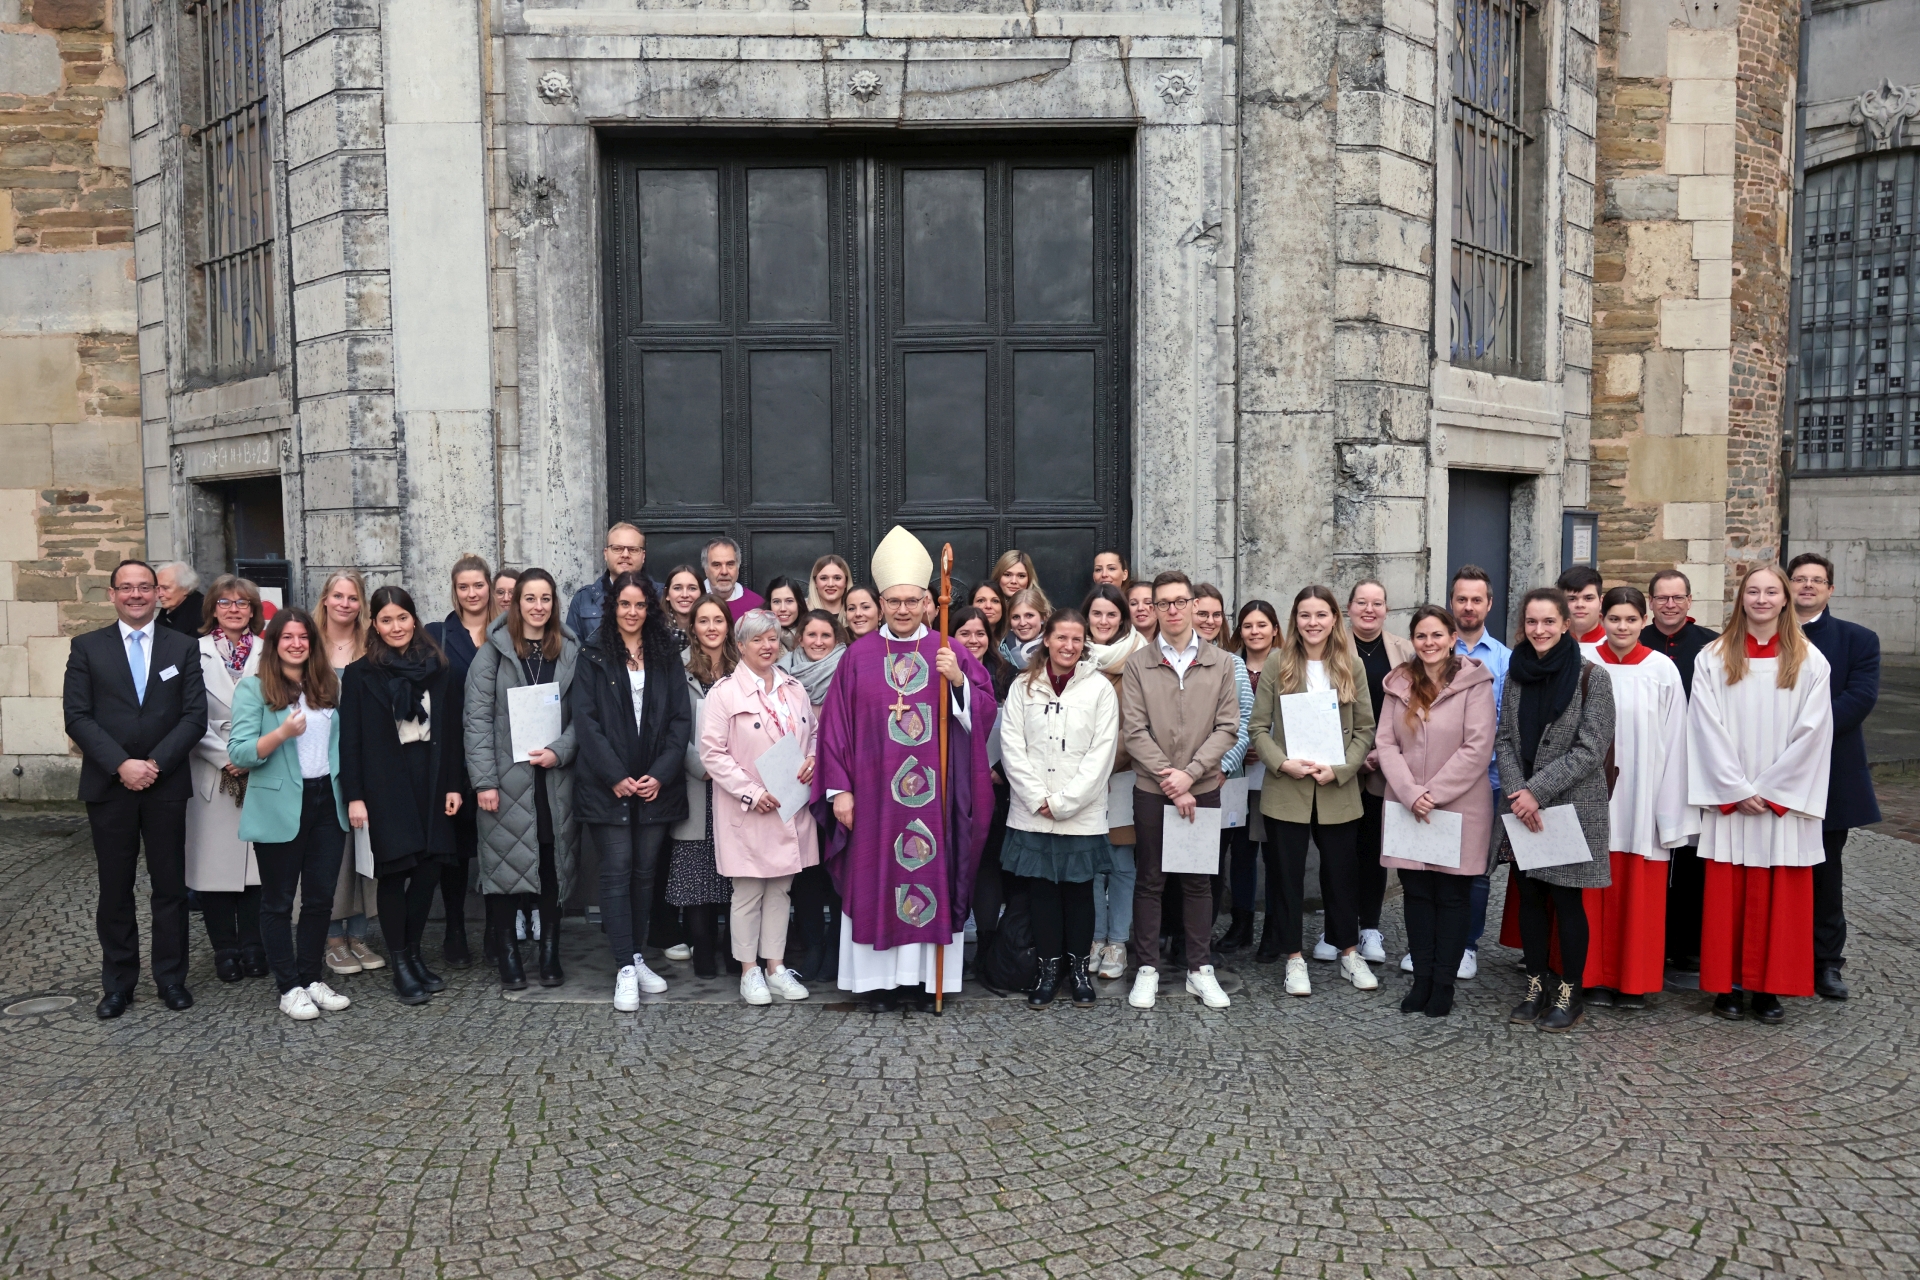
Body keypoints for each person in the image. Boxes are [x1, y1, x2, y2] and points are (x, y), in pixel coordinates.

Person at [814, 527, 999, 1011]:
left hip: (934, 805)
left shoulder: (949, 651)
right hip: (875, 802)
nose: (901, 609)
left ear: (926, 600)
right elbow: (833, 730)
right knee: (875, 878)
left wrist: (958, 681)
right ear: (879, 601)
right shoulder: (858, 657)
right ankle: (876, 985)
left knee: (930, 875)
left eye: (910, 601)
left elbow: (983, 713)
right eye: (892, 601)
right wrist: (840, 794)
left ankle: (924, 983)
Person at [62, 558, 209, 1019]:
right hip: (110, 786)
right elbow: (77, 716)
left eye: (145, 587)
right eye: (126, 588)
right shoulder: (86, 647)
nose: (136, 595)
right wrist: (121, 764)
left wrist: (155, 764)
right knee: (115, 888)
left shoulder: (183, 646)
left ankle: (171, 979)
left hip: (165, 785)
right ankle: (118, 984)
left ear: (158, 594)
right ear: (112, 595)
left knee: (169, 888)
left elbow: (194, 716)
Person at [1689, 564, 1834, 1025]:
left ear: (1786, 599)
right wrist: (1735, 788)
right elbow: (1703, 727)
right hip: (1733, 800)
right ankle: (1729, 986)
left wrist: (1771, 791)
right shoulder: (1712, 657)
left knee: (1781, 895)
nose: (1762, 599)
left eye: (1772, 591)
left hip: (1782, 806)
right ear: (1741, 599)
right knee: (1728, 895)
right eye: (1753, 591)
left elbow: (1814, 733)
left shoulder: (1811, 661)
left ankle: (1770, 988)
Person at [1119, 570, 1241, 1011]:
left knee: (1196, 882)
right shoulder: (1139, 664)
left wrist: (1190, 775)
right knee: (1150, 880)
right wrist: (1171, 779)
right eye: (1162, 603)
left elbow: (1228, 727)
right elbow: (1134, 731)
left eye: (1179, 601)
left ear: (1193, 605)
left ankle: (1199, 969)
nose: (1171, 610)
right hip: (1153, 790)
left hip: (1202, 787)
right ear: (1153, 609)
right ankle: (1147, 968)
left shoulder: (1221, 662)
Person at [1248, 586, 1378, 996]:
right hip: (1288, 787)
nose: (1313, 622)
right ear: (1295, 620)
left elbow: (1365, 729)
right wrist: (1282, 762)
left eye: (1321, 614)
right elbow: (1257, 728)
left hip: (1337, 789)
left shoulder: (1350, 664)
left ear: (1335, 619)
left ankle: (1348, 953)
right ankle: (1294, 958)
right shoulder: (1277, 662)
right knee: (1285, 878)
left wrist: (1341, 769)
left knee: (1341, 876)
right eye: (1305, 615)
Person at [339, 586, 466, 1004]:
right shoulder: (361, 674)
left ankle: (413, 954)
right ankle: (400, 963)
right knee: (395, 873)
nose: (396, 627)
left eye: (402, 618)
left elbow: (451, 733)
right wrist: (355, 796)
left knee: (430, 869)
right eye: (386, 620)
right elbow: (350, 741)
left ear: (415, 619)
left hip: (431, 777)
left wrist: (452, 784)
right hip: (385, 782)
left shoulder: (437, 666)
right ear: (374, 625)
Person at [571, 571, 691, 1010]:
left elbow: (681, 720)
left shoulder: (666, 654)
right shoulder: (594, 654)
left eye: (640, 605)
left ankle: (638, 956)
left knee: (645, 873)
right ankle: (623, 966)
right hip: (609, 785)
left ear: (649, 609)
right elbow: (586, 721)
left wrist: (660, 773)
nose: (633, 612)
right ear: (613, 607)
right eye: (625, 604)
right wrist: (614, 775)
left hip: (655, 784)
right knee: (616, 871)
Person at [1499, 588, 1615, 1034]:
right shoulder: (1515, 674)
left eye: (1549, 622)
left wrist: (1536, 792)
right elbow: (1505, 740)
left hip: (1570, 806)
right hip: (1522, 808)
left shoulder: (1592, 677)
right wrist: (1517, 794)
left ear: (1566, 624)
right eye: (1532, 622)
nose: (1540, 630)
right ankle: (1534, 985)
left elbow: (1590, 749)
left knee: (1567, 902)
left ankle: (1570, 991)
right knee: (1530, 898)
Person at [228, 608, 352, 1021]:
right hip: (281, 803)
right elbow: (240, 753)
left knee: (319, 900)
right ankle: (288, 987)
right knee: (278, 901)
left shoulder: (328, 685)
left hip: (325, 801)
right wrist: (281, 733)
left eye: (304, 637)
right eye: (287, 637)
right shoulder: (253, 689)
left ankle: (311, 976)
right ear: (274, 643)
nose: (297, 643)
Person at [1374, 606, 1496, 1018]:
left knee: (1453, 896)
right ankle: (1421, 978)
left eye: (1436, 635)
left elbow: (1478, 746)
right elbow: (1386, 743)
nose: (1429, 643)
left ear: (1451, 638)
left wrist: (1435, 792)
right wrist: (1411, 793)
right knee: (1418, 895)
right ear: (1414, 641)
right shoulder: (1400, 684)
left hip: (1458, 805)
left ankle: (1444, 982)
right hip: (1410, 806)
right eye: (1421, 636)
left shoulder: (1474, 682)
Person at [998, 609, 1121, 1009]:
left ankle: (1080, 972)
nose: (1068, 646)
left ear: (1082, 643)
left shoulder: (1099, 689)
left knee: (1079, 892)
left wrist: (1065, 802)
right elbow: (1011, 746)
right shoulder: (1023, 687)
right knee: (1042, 893)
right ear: (1046, 640)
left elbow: (1102, 753)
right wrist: (1038, 798)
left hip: (1081, 810)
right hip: (1032, 809)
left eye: (1075, 639)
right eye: (1061, 638)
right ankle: (1048, 972)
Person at [466, 567, 581, 991]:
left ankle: (550, 951)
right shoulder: (491, 653)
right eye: (529, 598)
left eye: (545, 598)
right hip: (505, 780)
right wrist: (484, 782)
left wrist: (560, 751)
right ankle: (509, 955)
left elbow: (583, 717)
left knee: (552, 868)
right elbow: (475, 721)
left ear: (554, 604)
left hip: (554, 781)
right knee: (502, 871)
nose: (537, 606)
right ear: (515, 603)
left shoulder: (570, 651)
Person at [701, 610, 820, 1005]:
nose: (768, 646)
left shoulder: (794, 688)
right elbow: (712, 754)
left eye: (773, 638)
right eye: (757, 640)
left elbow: (815, 735)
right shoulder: (724, 693)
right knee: (749, 891)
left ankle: (776, 966)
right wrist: (750, 791)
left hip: (790, 804)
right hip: (749, 808)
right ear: (740, 646)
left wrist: (813, 760)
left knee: (781, 890)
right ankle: (749, 970)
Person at [1582, 586, 1692, 1009]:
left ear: (1643, 621)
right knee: (1590, 890)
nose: (1622, 627)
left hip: (1643, 799)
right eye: (1614, 619)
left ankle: (1633, 981)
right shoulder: (1584, 664)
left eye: (1630, 619)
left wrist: (1669, 811)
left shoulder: (1662, 670)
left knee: (1638, 894)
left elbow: (1676, 740)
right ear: (1603, 621)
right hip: (1592, 797)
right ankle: (1589, 976)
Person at [1788, 551, 1880, 1002]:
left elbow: (1858, 699)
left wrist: (1799, 734)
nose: (1807, 586)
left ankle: (1826, 963)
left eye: (1816, 580)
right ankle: (1779, 956)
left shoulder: (1857, 639)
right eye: (1799, 579)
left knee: (1825, 872)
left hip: (1829, 773)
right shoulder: (1761, 636)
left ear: (1830, 588)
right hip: (1770, 772)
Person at [187, 575, 268, 983]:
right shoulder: (192, 652)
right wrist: (226, 757)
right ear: (213, 609)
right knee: (215, 869)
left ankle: (254, 945)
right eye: (225, 602)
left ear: (253, 609)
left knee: (257, 867)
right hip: (211, 770)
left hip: (260, 768)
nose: (234, 609)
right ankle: (225, 949)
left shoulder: (270, 651)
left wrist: (251, 755)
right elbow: (185, 715)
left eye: (242, 603)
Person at [1431, 564, 1510, 980]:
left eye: (1476, 599)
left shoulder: (1504, 661)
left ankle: (1466, 945)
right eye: (1461, 598)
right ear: (1451, 602)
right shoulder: (1432, 651)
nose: (1468, 606)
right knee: (1432, 864)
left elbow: (1504, 724)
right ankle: (1430, 944)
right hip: (1433, 780)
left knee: (1476, 871)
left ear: (1489, 605)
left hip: (1486, 781)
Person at [1639, 568, 1719, 974]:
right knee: (1649, 852)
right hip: (1644, 763)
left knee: (1690, 857)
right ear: (1650, 601)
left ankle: (1687, 944)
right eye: (1662, 597)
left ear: (1690, 602)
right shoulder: (1634, 640)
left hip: (1696, 765)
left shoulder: (1712, 646)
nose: (1669, 604)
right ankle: (1653, 937)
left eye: (1677, 597)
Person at [424, 554, 494, 968]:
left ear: (489, 587)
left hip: (497, 754)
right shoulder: (436, 635)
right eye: (464, 587)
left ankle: (495, 930)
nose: (472, 593)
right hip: (451, 753)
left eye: (478, 585)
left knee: (495, 846)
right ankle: (454, 927)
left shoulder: (508, 631)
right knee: (454, 850)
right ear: (455, 589)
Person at [315, 570, 385, 977]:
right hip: (320, 759)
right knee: (329, 850)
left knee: (364, 847)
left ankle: (358, 934)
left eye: (353, 597)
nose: (345, 603)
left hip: (362, 757)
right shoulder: (307, 642)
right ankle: (332, 938)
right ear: (325, 598)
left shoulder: (369, 645)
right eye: (338, 595)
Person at [668, 595, 739, 977]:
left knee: (735, 873)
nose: (711, 627)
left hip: (736, 785)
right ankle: (704, 954)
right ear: (692, 627)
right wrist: (704, 767)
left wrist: (733, 771)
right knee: (697, 874)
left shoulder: (744, 670)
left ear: (728, 625)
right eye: (703, 621)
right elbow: (671, 728)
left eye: (718, 620)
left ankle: (734, 951)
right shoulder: (676, 670)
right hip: (697, 783)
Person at [1345, 579, 1413, 966]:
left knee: (1372, 849)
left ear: (1386, 609)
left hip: (1382, 767)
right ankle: (1341, 925)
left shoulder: (1403, 652)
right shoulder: (1332, 647)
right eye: (1361, 602)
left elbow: (1412, 711)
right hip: (1340, 765)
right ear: (1349, 607)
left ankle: (1369, 925)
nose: (1369, 610)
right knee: (1339, 850)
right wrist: (1353, 754)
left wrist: (1380, 754)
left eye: (1377, 603)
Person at [782, 609, 851, 981]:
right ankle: (814, 945)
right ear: (800, 638)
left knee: (839, 865)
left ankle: (838, 948)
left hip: (839, 781)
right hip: (796, 782)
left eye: (826, 635)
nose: (819, 642)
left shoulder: (848, 669)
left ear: (836, 638)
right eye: (812, 635)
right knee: (805, 871)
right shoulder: (781, 675)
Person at [948, 603, 1017, 975]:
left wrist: (999, 770)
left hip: (999, 786)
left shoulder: (1007, 674)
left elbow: (1020, 729)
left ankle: (991, 946)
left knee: (989, 866)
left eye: (980, 633)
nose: (973, 640)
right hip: (956, 784)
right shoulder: (943, 668)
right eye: (965, 633)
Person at [1082, 586, 1146, 979]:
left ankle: (1118, 942)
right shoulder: (1073, 653)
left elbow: (1138, 722)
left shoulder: (1139, 659)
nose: (1103, 622)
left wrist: (1105, 765)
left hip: (1123, 774)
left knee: (1121, 863)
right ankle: (1093, 938)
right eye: (1096, 614)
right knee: (1089, 863)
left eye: (1111, 615)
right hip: (1082, 779)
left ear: (1122, 618)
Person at [1191, 583, 1253, 964]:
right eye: (1202, 613)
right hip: (1177, 780)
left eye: (1217, 614)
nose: (1210, 621)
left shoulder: (1234, 665)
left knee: (1210, 865)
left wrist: (1222, 769)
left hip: (1220, 781)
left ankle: (1198, 939)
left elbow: (1243, 723)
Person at [564, 521, 648, 642]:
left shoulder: (660, 596)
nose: (625, 554)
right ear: (606, 554)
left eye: (633, 549)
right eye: (617, 548)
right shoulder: (583, 598)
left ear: (643, 556)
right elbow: (572, 650)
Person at [703, 537, 764, 619]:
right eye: (717, 565)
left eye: (730, 564)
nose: (724, 572)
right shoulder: (692, 600)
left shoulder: (757, 606)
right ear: (706, 570)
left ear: (738, 568)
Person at [1558, 565, 1607, 652]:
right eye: (1572, 599)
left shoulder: (1616, 645)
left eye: (1588, 598)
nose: (1580, 605)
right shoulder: (1549, 643)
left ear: (1601, 601)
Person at [999, 587, 1047, 669]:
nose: (1022, 623)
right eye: (1016, 617)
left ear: (1043, 618)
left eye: (1029, 616)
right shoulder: (999, 654)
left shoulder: (1054, 650)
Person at [155, 562, 204, 636]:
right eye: (157, 588)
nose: (159, 594)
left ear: (185, 588)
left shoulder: (203, 615)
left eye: (165, 588)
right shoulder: (166, 613)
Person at [663, 564, 702, 646]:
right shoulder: (654, 630)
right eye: (677, 588)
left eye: (692, 588)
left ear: (701, 594)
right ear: (667, 594)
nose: (685, 595)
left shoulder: (710, 630)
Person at [765, 576, 807, 649]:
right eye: (776, 601)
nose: (783, 608)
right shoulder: (758, 634)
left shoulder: (813, 632)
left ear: (798, 603)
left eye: (789, 601)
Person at [807, 554, 853, 623]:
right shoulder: (803, 614)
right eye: (824, 578)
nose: (830, 584)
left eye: (837, 578)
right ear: (815, 582)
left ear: (846, 582)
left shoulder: (856, 615)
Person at [970, 582, 1008, 648]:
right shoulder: (960, 641)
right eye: (981, 600)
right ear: (971, 605)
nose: (988, 606)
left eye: (995, 601)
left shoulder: (1013, 643)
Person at [1126, 580, 1158, 645]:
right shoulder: (1118, 647)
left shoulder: (1171, 643)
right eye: (1133, 603)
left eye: (1148, 602)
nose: (1140, 608)